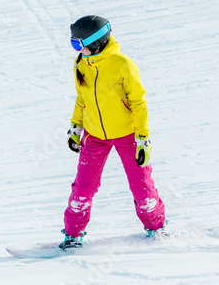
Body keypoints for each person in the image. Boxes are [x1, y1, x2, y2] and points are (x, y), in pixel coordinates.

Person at [61, 16, 166, 249]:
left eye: (78, 44)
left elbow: (138, 103)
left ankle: (156, 228)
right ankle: (73, 236)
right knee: (83, 188)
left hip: (128, 135)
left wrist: (142, 139)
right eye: (74, 44)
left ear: (96, 42)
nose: (76, 50)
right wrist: (75, 126)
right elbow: (83, 98)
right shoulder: (82, 63)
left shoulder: (122, 64)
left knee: (141, 186)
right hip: (95, 135)